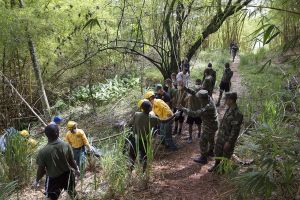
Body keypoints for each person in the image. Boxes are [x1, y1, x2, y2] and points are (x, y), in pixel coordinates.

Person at [128, 100, 180, 171]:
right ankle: (144, 173)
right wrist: (174, 115)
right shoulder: (153, 119)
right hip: (144, 141)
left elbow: (130, 124)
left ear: (142, 108)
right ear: (150, 108)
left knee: (132, 157)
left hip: (134, 139)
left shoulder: (137, 114)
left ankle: (130, 172)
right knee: (145, 158)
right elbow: (165, 121)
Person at [34, 124, 79, 200]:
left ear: (46, 135)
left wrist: (37, 180)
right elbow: (71, 161)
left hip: (53, 179)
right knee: (72, 193)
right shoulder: (66, 145)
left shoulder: (43, 152)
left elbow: (41, 169)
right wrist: (77, 169)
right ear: (57, 133)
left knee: (51, 197)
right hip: (68, 175)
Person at [179, 90, 218, 164]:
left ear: (202, 99)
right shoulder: (208, 98)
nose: (198, 99)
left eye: (199, 98)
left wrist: (183, 108)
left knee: (203, 141)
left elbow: (195, 114)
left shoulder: (207, 107)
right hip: (213, 124)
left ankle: (203, 158)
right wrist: (186, 88)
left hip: (210, 126)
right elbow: (195, 93)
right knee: (211, 138)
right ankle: (211, 152)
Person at [209, 92, 243, 172]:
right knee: (217, 152)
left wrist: (229, 142)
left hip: (227, 138)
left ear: (231, 100)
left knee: (226, 155)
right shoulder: (229, 109)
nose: (225, 101)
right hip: (221, 136)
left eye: (226, 100)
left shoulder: (237, 113)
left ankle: (223, 169)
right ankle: (216, 166)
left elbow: (235, 130)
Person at [185, 79, 202, 143]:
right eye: (197, 84)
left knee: (199, 124)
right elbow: (185, 100)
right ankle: (190, 136)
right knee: (190, 125)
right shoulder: (191, 92)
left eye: (199, 84)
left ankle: (199, 133)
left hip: (197, 111)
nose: (197, 85)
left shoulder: (201, 93)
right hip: (191, 111)